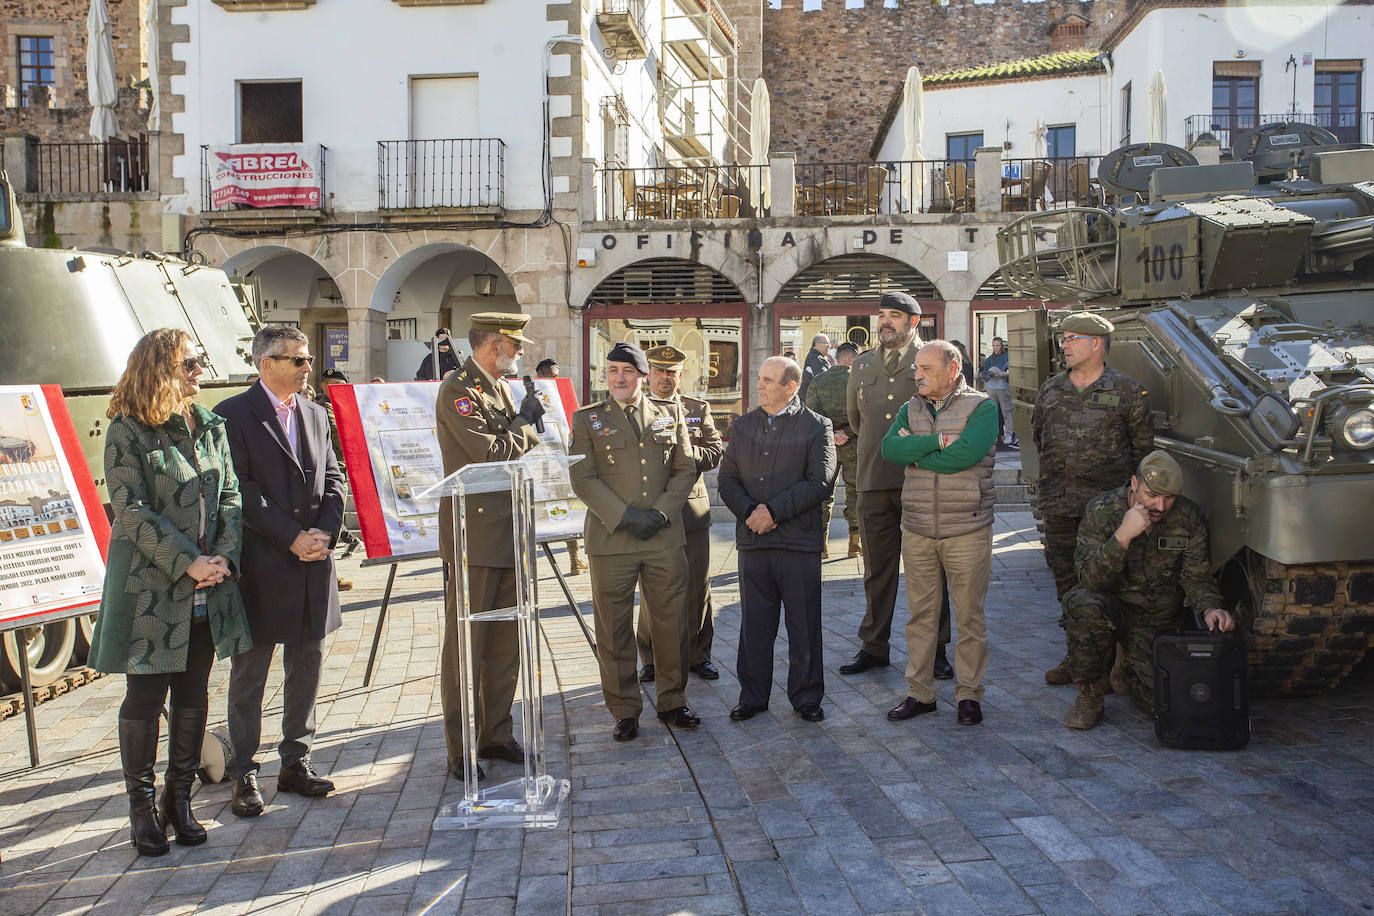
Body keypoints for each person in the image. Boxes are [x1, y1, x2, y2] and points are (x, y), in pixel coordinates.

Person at [88, 329, 253, 856]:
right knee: (145, 695)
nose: (199, 370)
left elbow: (229, 494)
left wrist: (222, 557)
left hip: (210, 583)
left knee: (193, 690)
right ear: (160, 367)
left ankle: (177, 800)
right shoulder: (127, 430)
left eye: (199, 361)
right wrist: (189, 562)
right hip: (152, 590)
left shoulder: (209, 426)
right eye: (190, 362)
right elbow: (130, 509)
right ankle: (141, 810)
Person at [214, 325, 346, 818]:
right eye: (297, 360)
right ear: (265, 363)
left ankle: (296, 762)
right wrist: (290, 537)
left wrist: (325, 534)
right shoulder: (232, 414)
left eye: (307, 359)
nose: (307, 367)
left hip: (313, 562)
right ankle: (244, 772)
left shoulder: (314, 413)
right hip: (264, 564)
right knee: (251, 673)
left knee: (306, 665)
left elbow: (333, 476)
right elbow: (241, 490)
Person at [433, 312, 546, 778]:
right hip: (474, 534)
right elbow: (491, 452)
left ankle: (496, 734)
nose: (520, 353)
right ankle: (462, 749)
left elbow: (512, 448)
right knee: (468, 644)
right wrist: (524, 423)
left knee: (504, 643)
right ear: (494, 344)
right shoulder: (459, 389)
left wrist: (520, 423)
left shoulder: (498, 387)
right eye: (515, 346)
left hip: (509, 530)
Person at [569, 342, 700, 742]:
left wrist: (660, 513)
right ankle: (625, 709)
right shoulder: (587, 420)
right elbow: (583, 478)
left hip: (662, 538)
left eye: (627, 371)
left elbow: (685, 467)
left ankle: (673, 700)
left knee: (671, 622)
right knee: (614, 629)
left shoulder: (670, 412)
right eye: (612, 371)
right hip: (612, 541)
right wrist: (626, 517)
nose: (619, 378)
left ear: (643, 376)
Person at [1063, 451, 1235, 729]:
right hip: (1114, 609)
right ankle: (1090, 696)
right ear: (1134, 483)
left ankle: (1125, 666)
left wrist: (1210, 607)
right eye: (1152, 495)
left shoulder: (1187, 517)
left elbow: (1197, 577)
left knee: (1162, 702)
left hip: (1158, 621)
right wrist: (1122, 536)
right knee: (1082, 604)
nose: (1160, 506)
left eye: (1169, 498)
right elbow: (1090, 580)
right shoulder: (1102, 511)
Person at [881, 340, 999, 726]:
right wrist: (934, 443)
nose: (917, 375)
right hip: (917, 529)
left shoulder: (981, 406)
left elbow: (965, 456)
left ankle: (969, 695)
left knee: (969, 618)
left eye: (926, 369)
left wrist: (913, 450)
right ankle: (920, 693)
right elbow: (888, 451)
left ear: (952, 369)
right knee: (920, 617)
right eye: (916, 368)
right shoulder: (909, 407)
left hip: (966, 527)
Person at [1032, 313, 1153, 685]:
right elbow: (1041, 440)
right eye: (1063, 339)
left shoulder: (1128, 391)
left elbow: (1143, 453)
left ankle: (1120, 663)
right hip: (1060, 509)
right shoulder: (1051, 390)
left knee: (1115, 586)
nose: (1063, 345)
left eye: (1071, 339)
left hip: (1108, 516)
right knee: (1067, 587)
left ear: (1096, 344)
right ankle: (1077, 656)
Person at [841, 291, 952, 680]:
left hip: (922, 480)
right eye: (882, 315)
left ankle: (935, 650)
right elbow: (857, 422)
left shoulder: (934, 359)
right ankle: (874, 647)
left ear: (914, 322)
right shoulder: (863, 363)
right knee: (877, 570)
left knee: (928, 570)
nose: (885, 322)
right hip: (873, 480)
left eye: (894, 316)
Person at [720, 357, 836, 722]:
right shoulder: (743, 426)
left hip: (797, 543)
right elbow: (727, 480)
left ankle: (806, 697)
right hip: (754, 542)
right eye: (759, 378)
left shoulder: (817, 426)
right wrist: (751, 512)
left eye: (768, 380)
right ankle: (752, 696)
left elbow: (821, 480)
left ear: (791, 387)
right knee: (755, 623)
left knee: (803, 624)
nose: (760, 385)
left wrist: (773, 512)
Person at [635, 345, 725, 682]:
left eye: (671, 372)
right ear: (649, 375)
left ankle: (698, 655)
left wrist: (683, 451)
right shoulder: (637, 409)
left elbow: (715, 451)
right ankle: (651, 658)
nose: (664, 378)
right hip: (653, 511)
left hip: (691, 510)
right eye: (658, 371)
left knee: (697, 586)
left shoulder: (697, 409)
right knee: (652, 588)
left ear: (679, 376)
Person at [805, 341, 861, 559]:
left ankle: (822, 546)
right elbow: (865, 414)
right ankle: (854, 545)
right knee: (855, 492)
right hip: (855, 444)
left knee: (823, 494)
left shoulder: (818, 381)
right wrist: (847, 432)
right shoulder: (859, 382)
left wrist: (832, 434)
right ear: (851, 359)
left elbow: (810, 415)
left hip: (825, 446)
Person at [537, 356, 584, 576]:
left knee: (567, 507)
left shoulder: (556, 393)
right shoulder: (538, 394)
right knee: (563, 508)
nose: (555, 378)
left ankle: (575, 559)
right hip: (544, 463)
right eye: (552, 374)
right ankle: (575, 560)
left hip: (559, 461)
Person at [317, 368, 358, 584]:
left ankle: (331, 573)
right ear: (323, 385)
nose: (336, 389)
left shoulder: (340, 407)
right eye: (332, 384)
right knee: (332, 521)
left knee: (335, 520)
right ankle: (330, 575)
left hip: (340, 468)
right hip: (328, 471)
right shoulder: (319, 408)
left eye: (340, 385)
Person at [978, 336, 1016, 449]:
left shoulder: (1007, 357)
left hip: (1003, 387)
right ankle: (994, 434)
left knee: (1006, 411)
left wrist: (1002, 374)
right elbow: (984, 373)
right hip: (991, 387)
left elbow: (1011, 372)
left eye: (998, 345)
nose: (995, 348)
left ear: (1002, 346)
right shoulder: (990, 359)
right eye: (994, 345)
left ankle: (1009, 434)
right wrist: (983, 375)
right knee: (993, 412)